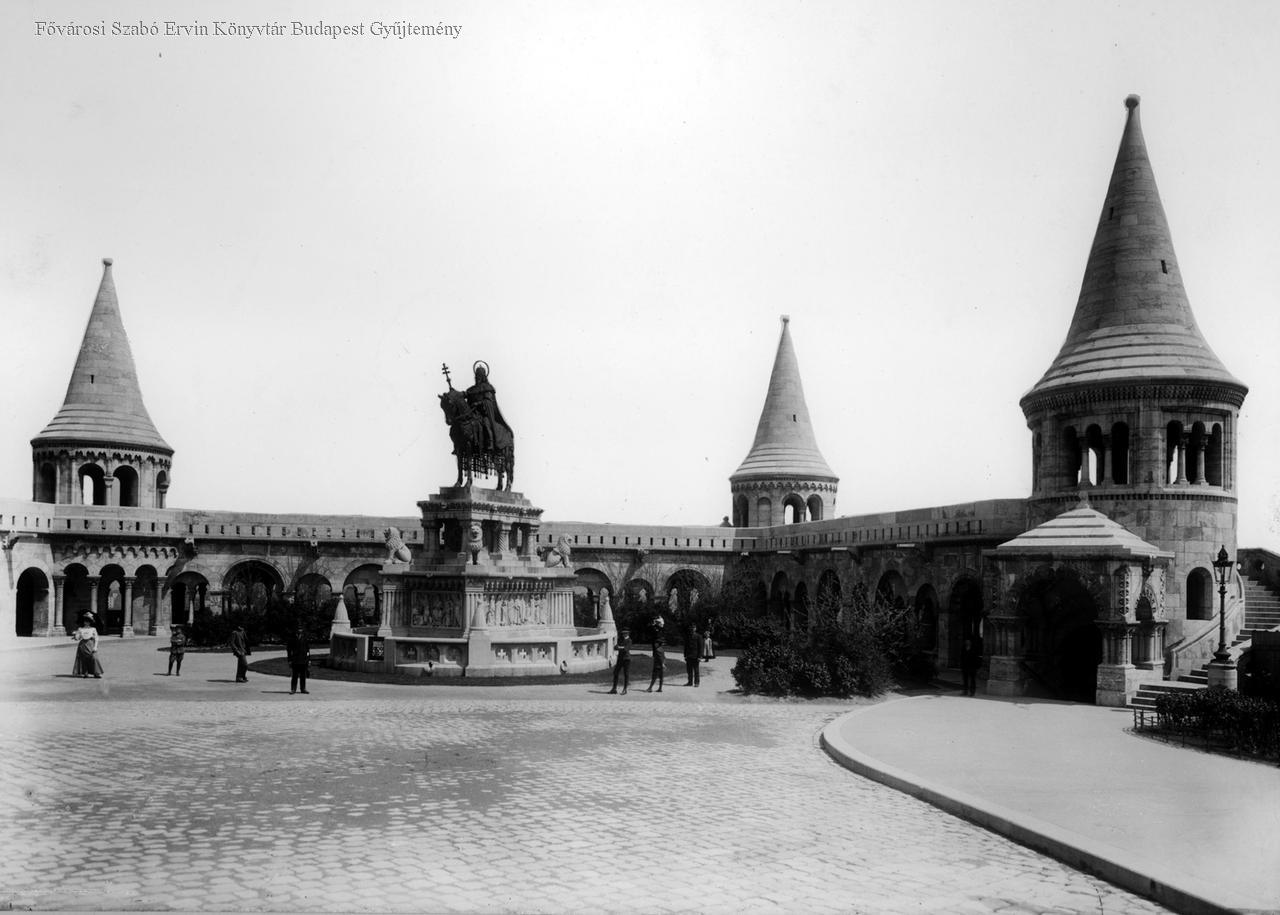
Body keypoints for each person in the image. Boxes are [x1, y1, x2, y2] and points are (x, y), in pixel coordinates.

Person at [464, 362, 510, 453]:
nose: (477, 377)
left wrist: (478, 404)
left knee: (486, 424)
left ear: (483, 376)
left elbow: (488, 401)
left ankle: (491, 443)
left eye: (479, 375)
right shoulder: (471, 390)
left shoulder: (488, 387)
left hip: (484, 414)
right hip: (473, 414)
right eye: (476, 375)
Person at [286, 626, 311, 695]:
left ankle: (303, 689)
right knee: (295, 675)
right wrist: (289, 660)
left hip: (303, 660)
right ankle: (293, 689)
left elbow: (308, 650)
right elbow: (289, 650)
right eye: (298, 629)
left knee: (303, 675)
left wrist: (309, 659)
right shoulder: (291, 639)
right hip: (295, 660)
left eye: (301, 629)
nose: (300, 630)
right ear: (296, 630)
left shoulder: (305, 638)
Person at [608, 628, 632, 694]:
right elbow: (615, 647)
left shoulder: (629, 640)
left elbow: (626, 649)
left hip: (626, 659)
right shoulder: (621, 640)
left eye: (625, 633)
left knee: (626, 674)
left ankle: (625, 689)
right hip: (620, 658)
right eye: (623, 633)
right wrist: (621, 647)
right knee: (615, 672)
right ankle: (614, 688)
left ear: (628, 633)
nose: (624, 634)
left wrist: (620, 647)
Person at [646, 617, 665, 693]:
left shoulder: (657, 647)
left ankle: (650, 687)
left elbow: (653, 632)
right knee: (660, 674)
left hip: (659, 661)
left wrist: (662, 663)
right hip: (660, 658)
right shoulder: (660, 647)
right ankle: (660, 688)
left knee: (655, 673)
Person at [684, 623, 701, 687]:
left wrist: (699, 656)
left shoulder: (698, 636)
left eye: (693, 628)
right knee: (689, 670)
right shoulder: (688, 636)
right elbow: (686, 646)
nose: (692, 629)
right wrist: (685, 655)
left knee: (696, 670)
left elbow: (700, 647)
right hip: (689, 655)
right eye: (691, 628)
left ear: (695, 629)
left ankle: (697, 682)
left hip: (695, 656)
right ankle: (690, 682)